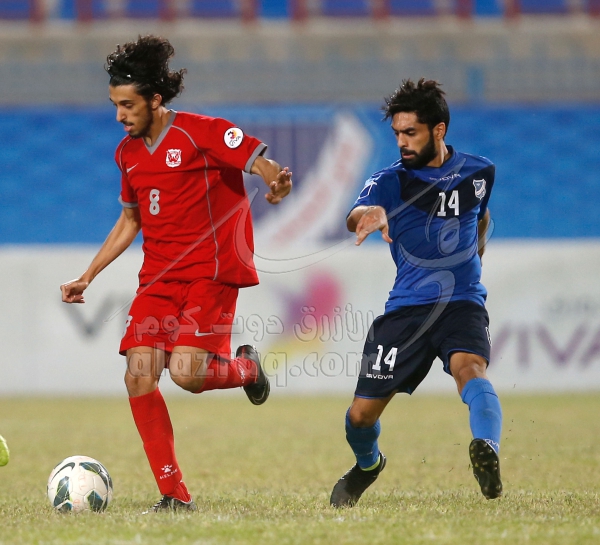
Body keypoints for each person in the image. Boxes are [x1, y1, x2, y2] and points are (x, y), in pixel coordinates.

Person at [60, 35, 292, 512]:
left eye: (127, 105)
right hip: (159, 279)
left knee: (186, 374)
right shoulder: (127, 154)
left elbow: (258, 161)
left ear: (154, 99)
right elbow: (130, 221)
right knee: (139, 374)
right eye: (115, 105)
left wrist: (275, 181)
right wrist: (88, 275)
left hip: (211, 271)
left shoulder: (201, 132)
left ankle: (247, 369)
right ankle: (174, 495)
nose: (119, 115)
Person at [330, 79, 502, 507]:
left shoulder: (479, 172)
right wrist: (369, 213)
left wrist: (476, 253)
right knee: (360, 416)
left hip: (462, 302)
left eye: (411, 133)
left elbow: (481, 218)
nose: (402, 142)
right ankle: (368, 464)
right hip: (407, 310)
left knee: (470, 370)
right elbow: (355, 214)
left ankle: (487, 449)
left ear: (438, 130)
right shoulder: (391, 181)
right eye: (397, 134)